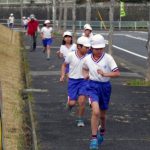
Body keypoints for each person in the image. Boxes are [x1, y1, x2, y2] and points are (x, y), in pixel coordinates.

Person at [82, 34, 120, 150]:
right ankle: (93, 138)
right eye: (96, 48)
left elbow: (117, 73)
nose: (99, 50)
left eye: (101, 48)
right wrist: (86, 76)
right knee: (96, 112)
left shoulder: (108, 58)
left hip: (105, 87)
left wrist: (105, 74)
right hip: (92, 86)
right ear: (91, 48)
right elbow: (84, 68)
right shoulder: (87, 58)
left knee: (102, 116)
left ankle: (102, 130)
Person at [60, 36, 91, 127]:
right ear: (79, 46)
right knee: (72, 103)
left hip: (84, 81)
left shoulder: (89, 56)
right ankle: (70, 104)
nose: (88, 49)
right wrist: (63, 75)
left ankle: (80, 119)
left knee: (81, 101)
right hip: (73, 81)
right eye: (86, 47)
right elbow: (64, 65)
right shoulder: (71, 55)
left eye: (88, 47)